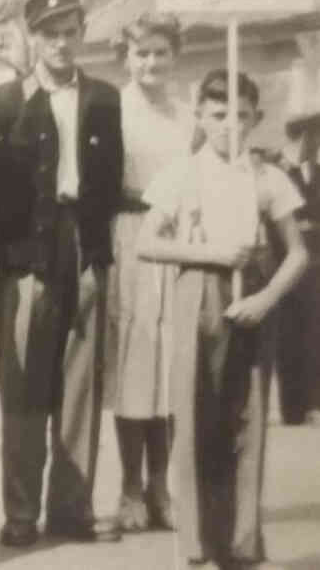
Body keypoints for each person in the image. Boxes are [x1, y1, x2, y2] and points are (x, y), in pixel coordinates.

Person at [136, 69, 308, 569]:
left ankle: (241, 545)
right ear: (200, 117)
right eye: (218, 115)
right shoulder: (181, 174)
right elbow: (148, 242)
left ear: (256, 119)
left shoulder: (266, 176)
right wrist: (208, 250)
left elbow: (297, 253)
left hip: (252, 299)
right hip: (198, 297)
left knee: (247, 420)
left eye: (241, 115)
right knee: (196, 418)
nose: (230, 125)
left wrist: (266, 298)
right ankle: (197, 545)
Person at [0, 0, 123, 547]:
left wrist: (98, 249)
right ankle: (20, 511)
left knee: (82, 381)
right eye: (50, 33)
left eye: (70, 31)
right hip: (27, 252)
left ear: (82, 33)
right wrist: (12, 258)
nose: (62, 43)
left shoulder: (106, 98)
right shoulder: (4, 102)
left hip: (84, 242)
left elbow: (110, 178)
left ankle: (72, 508)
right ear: (33, 38)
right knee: (24, 384)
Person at [105, 13, 191, 532]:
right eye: (142, 53)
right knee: (135, 364)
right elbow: (102, 183)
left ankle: (162, 485)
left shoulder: (187, 115)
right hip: (133, 238)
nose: (152, 62)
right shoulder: (114, 109)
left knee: (171, 364)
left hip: (179, 244)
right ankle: (130, 487)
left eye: (161, 52)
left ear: (174, 55)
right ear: (127, 58)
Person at [272, 85, 320, 426]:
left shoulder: (315, 173)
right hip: (285, 262)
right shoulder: (276, 171)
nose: (313, 144)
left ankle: (313, 403)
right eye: (312, 135)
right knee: (289, 334)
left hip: (316, 265)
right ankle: (292, 407)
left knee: (314, 333)